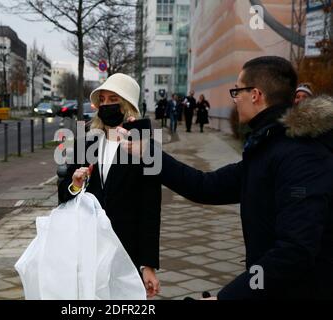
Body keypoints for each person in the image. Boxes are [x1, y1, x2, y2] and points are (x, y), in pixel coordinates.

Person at [120, 56, 333, 299]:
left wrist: (228, 297)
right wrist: (148, 153)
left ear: (255, 95)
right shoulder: (267, 147)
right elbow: (205, 186)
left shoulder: (302, 156)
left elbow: (295, 251)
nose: (235, 99)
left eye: (237, 91)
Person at [58, 73, 161, 298]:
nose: (105, 105)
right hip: (89, 246)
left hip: (127, 248)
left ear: (127, 105)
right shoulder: (88, 140)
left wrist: (148, 265)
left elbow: (151, 209)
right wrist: (75, 184)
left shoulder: (144, 146)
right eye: (102, 100)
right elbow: (63, 191)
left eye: (113, 99)